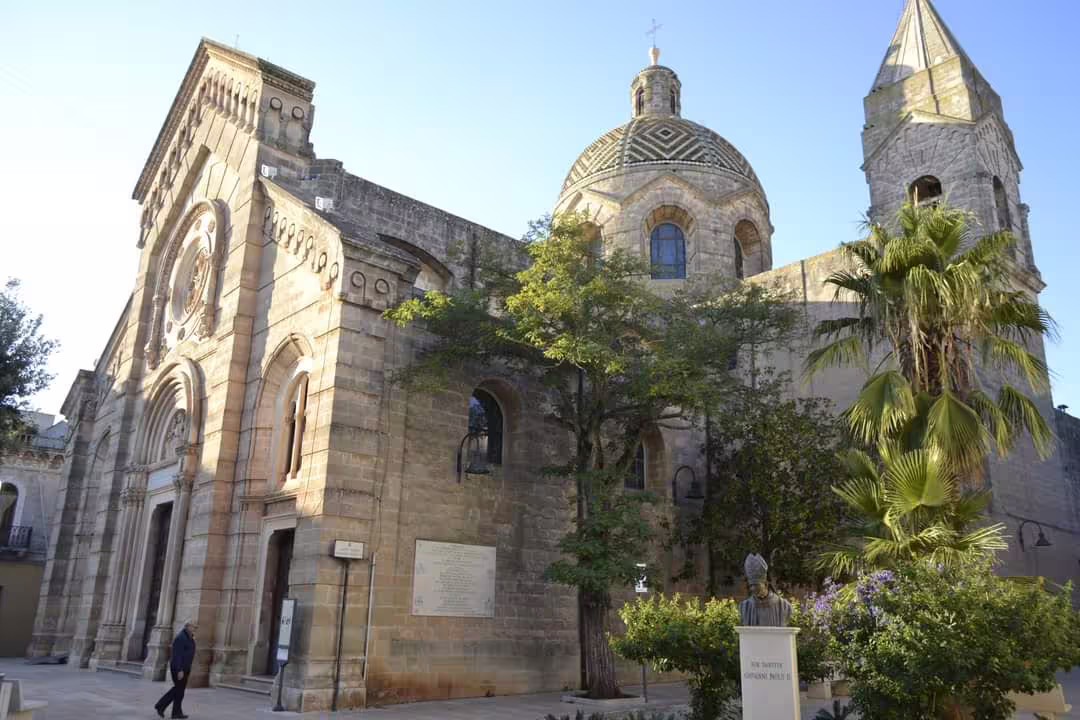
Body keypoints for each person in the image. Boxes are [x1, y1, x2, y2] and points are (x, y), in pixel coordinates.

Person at [154, 621, 196, 719]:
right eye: (194, 627)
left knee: (180, 691)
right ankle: (160, 705)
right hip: (179, 668)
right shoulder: (181, 638)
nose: (195, 629)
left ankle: (176, 712)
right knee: (178, 689)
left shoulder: (189, 637)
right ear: (188, 626)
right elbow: (177, 655)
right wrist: (179, 670)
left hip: (185, 667)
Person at [738, 553, 792, 627]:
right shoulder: (745, 606)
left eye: (756, 585)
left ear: (766, 584)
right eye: (751, 585)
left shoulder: (784, 606)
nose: (753, 588)